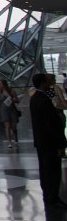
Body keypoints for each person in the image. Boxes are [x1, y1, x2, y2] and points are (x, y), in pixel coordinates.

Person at [30, 73, 67, 208]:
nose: (50, 83)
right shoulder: (43, 99)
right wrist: (61, 143)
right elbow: (51, 124)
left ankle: (48, 194)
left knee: (45, 168)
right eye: (48, 81)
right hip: (49, 141)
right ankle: (52, 196)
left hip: (41, 141)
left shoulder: (35, 98)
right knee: (52, 169)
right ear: (42, 83)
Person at [0, 79, 20, 147]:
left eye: (0, 84)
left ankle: (15, 135)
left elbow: (17, 100)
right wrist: (1, 93)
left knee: (14, 126)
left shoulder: (11, 90)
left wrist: (10, 97)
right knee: (7, 126)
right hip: (4, 110)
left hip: (12, 109)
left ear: (4, 84)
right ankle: (9, 142)